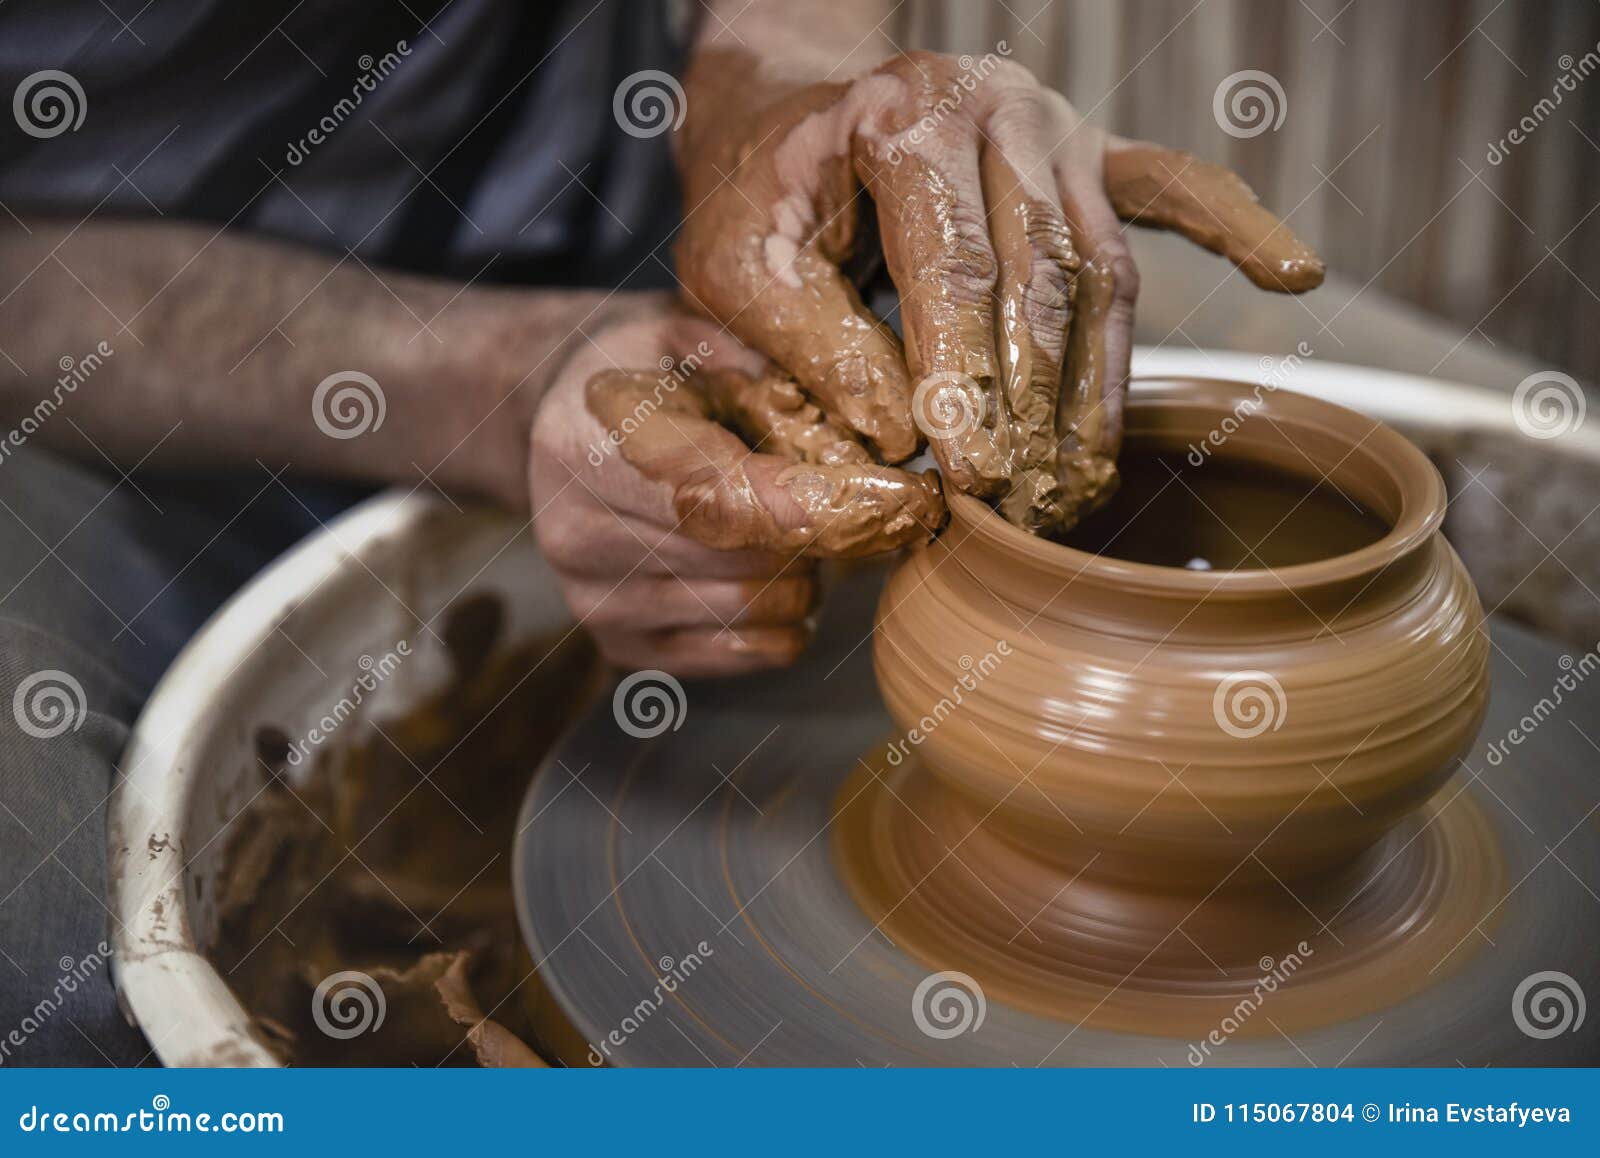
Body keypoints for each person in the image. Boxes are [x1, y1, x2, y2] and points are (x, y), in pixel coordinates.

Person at [0, 0, 1314, 1064]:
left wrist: (785, 90)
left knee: (1172, 360)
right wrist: (505, 380)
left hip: (645, 195)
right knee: (44, 971)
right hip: (101, 388)